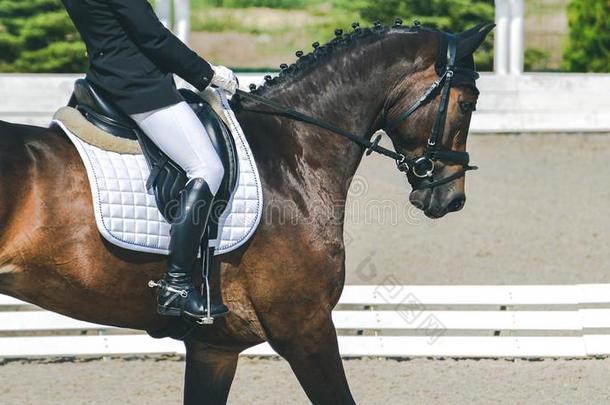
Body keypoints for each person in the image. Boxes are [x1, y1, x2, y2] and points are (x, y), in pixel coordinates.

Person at [61, 0, 237, 321]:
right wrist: (207, 74)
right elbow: (151, 35)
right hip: (138, 85)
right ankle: (177, 285)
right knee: (208, 167)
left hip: (103, 78)